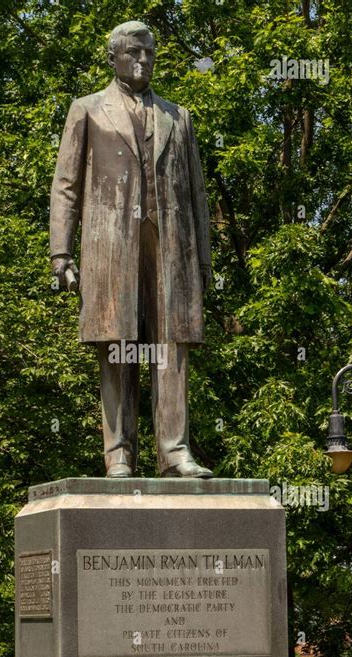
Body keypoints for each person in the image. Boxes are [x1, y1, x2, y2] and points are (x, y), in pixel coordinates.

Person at [50, 20, 213, 478]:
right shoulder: (87, 110)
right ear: (114, 58)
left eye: (149, 55)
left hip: (171, 247)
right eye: (134, 54)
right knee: (117, 342)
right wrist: (60, 254)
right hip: (111, 243)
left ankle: (175, 452)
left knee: (171, 345)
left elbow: (197, 193)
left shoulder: (178, 116)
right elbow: (66, 186)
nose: (143, 62)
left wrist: (202, 260)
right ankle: (119, 453)